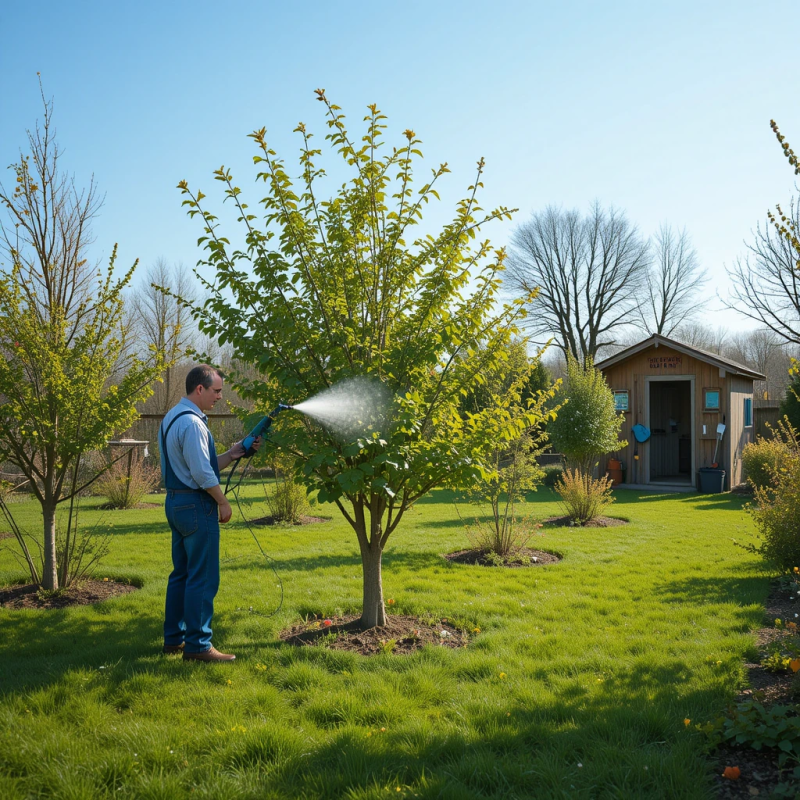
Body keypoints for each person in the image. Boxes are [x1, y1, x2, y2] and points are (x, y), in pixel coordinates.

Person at [160, 365, 260, 662]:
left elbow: (195, 465)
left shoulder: (171, 417)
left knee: (181, 574)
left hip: (176, 503)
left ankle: (174, 640)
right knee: (202, 578)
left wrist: (231, 454)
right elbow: (203, 473)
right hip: (195, 506)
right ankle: (199, 646)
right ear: (199, 389)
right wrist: (222, 501)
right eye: (216, 391)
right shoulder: (192, 423)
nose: (220, 397)